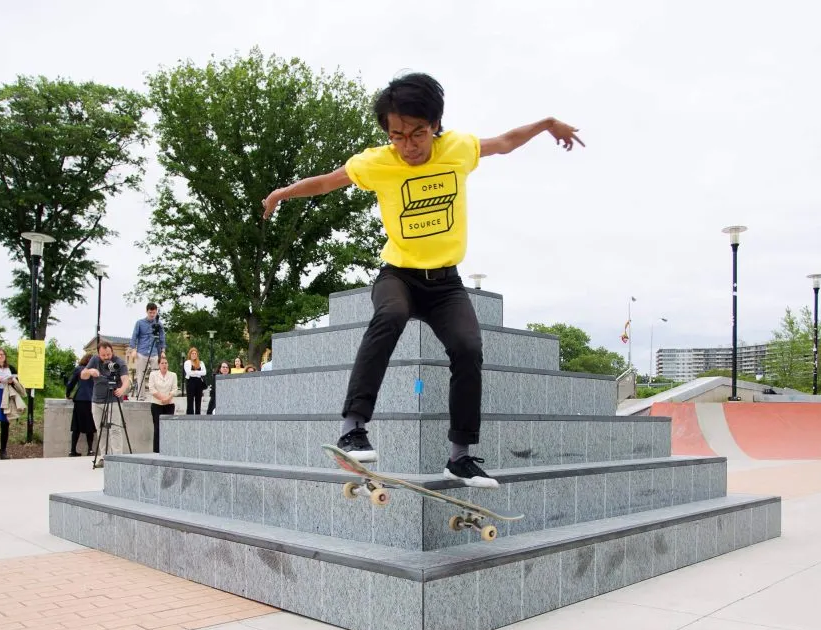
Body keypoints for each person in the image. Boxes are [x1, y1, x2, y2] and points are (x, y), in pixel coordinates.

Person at [262, 72, 583, 488]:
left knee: (468, 348)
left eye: (417, 134)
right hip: (398, 275)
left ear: (435, 125)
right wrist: (282, 193)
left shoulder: (458, 148)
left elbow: (504, 142)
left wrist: (547, 124)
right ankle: (353, 428)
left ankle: (459, 457)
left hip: (446, 285)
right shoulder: (377, 162)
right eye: (397, 136)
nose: (408, 146)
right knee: (390, 316)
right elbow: (326, 182)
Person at [81, 341, 131, 462]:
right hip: (97, 401)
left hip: (113, 400)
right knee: (101, 430)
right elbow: (83, 375)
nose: (106, 357)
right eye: (103, 355)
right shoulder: (94, 360)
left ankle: (117, 458)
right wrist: (90, 371)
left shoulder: (119, 362)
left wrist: (122, 389)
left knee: (115, 429)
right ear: (98, 354)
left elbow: (126, 379)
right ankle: (105, 457)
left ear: (112, 351)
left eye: (108, 354)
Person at [128, 303, 165, 400]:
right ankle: (141, 396)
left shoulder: (159, 324)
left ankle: (156, 397)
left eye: (154, 312)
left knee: (156, 375)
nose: (152, 314)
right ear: (147, 311)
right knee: (141, 375)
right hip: (142, 352)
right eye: (150, 312)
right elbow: (134, 336)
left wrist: (163, 351)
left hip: (154, 352)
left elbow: (162, 338)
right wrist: (133, 349)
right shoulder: (139, 323)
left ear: (156, 312)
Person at [65, 353, 96, 457]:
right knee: (90, 425)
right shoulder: (95, 371)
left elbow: (71, 383)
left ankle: (72, 450)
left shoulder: (79, 369)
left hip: (80, 399)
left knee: (76, 426)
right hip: (92, 400)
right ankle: (90, 450)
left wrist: (67, 394)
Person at [148, 356, 177, 452]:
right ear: (159, 365)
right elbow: (152, 389)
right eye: (162, 363)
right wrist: (162, 398)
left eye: (166, 363)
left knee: (168, 428)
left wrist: (168, 399)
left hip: (169, 404)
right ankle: (157, 451)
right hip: (157, 404)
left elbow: (174, 389)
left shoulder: (173, 375)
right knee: (157, 428)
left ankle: (168, 450)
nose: (164, 365)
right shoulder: (153, 374)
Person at [182, 347, 206, 414]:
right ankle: (190, 416)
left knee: (198, 400)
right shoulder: (187, 362)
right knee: (190, 400)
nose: (194, 355)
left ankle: (198, 415)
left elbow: (204, 372)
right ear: (190, 354)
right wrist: (199, 372)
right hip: (190, 382)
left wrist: (194, 372)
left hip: (199, 382)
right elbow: (189, 373)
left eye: (195, 353)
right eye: (192, 353)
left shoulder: (201, 362)